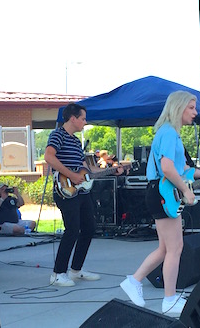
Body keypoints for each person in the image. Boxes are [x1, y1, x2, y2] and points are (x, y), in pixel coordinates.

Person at [119, 91, 200, 317]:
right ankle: (168, 299)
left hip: (161, 191)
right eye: (191, 108)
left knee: (166, 248)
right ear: (178, 108)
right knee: (175, 248)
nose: (195, 113)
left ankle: (135, 281)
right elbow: (167, 168)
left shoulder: (171, 134)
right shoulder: (168, 133)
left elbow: (182, 169)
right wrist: (186, 189)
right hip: (162, 191)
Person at [45, 103, 124, 287]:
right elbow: (49, 157)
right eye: (82, 118)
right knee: (72, 230)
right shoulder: (58, 135)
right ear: (73, 118)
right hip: (64, 189)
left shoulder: (75, 140)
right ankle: (57, 273)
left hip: (80, 191)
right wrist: (71, 175)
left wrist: (112, 170)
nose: (85, 122)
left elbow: (87, 168)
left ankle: (75, 270)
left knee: (89, 228)